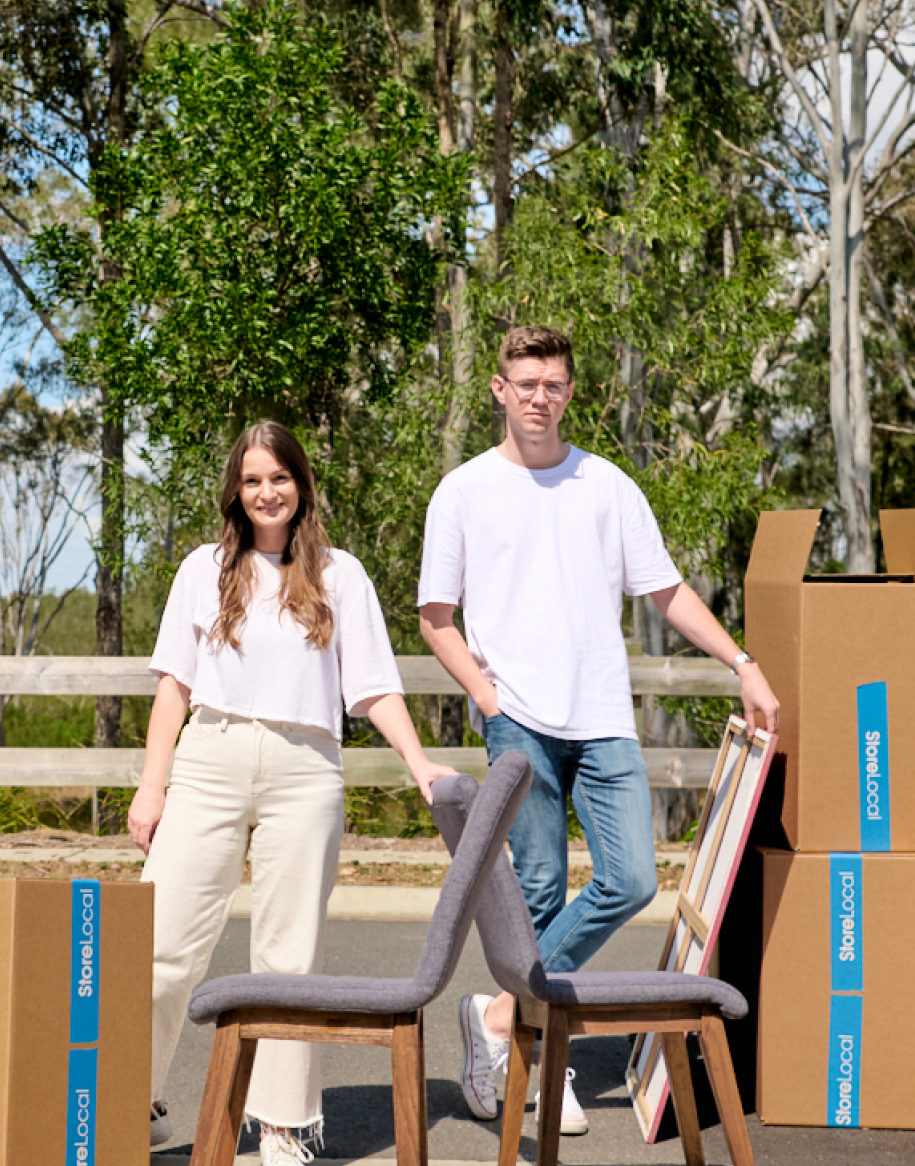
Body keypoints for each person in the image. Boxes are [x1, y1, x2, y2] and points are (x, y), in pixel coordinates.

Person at [418, 325, 780, 1134]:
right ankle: (541, 1060)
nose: (539, 396)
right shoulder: (465, 491)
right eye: (526, 382)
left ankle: (505, 1017)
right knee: (539, 888)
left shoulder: (607, 486)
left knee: (633, 880)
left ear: (570, 392)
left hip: (603, 717)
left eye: (554, 384)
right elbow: (434, 616)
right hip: (520, 721)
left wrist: (742, 662)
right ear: (499, 390)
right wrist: (487, 694)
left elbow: (667, 592)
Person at [130, 421, 454, 1165]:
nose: (266, 492)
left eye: (278, 478)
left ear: (301, 485)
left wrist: (418, 762)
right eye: (251, 480)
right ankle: (132, 1095)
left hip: (306, 768)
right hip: (208, 760)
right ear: (235, 492)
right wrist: (153, 787)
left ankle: (284, 1126)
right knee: (159, 947)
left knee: (287, 958)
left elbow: (373, 687)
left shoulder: (343, 575)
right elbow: (173, 688)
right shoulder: (202, 570)